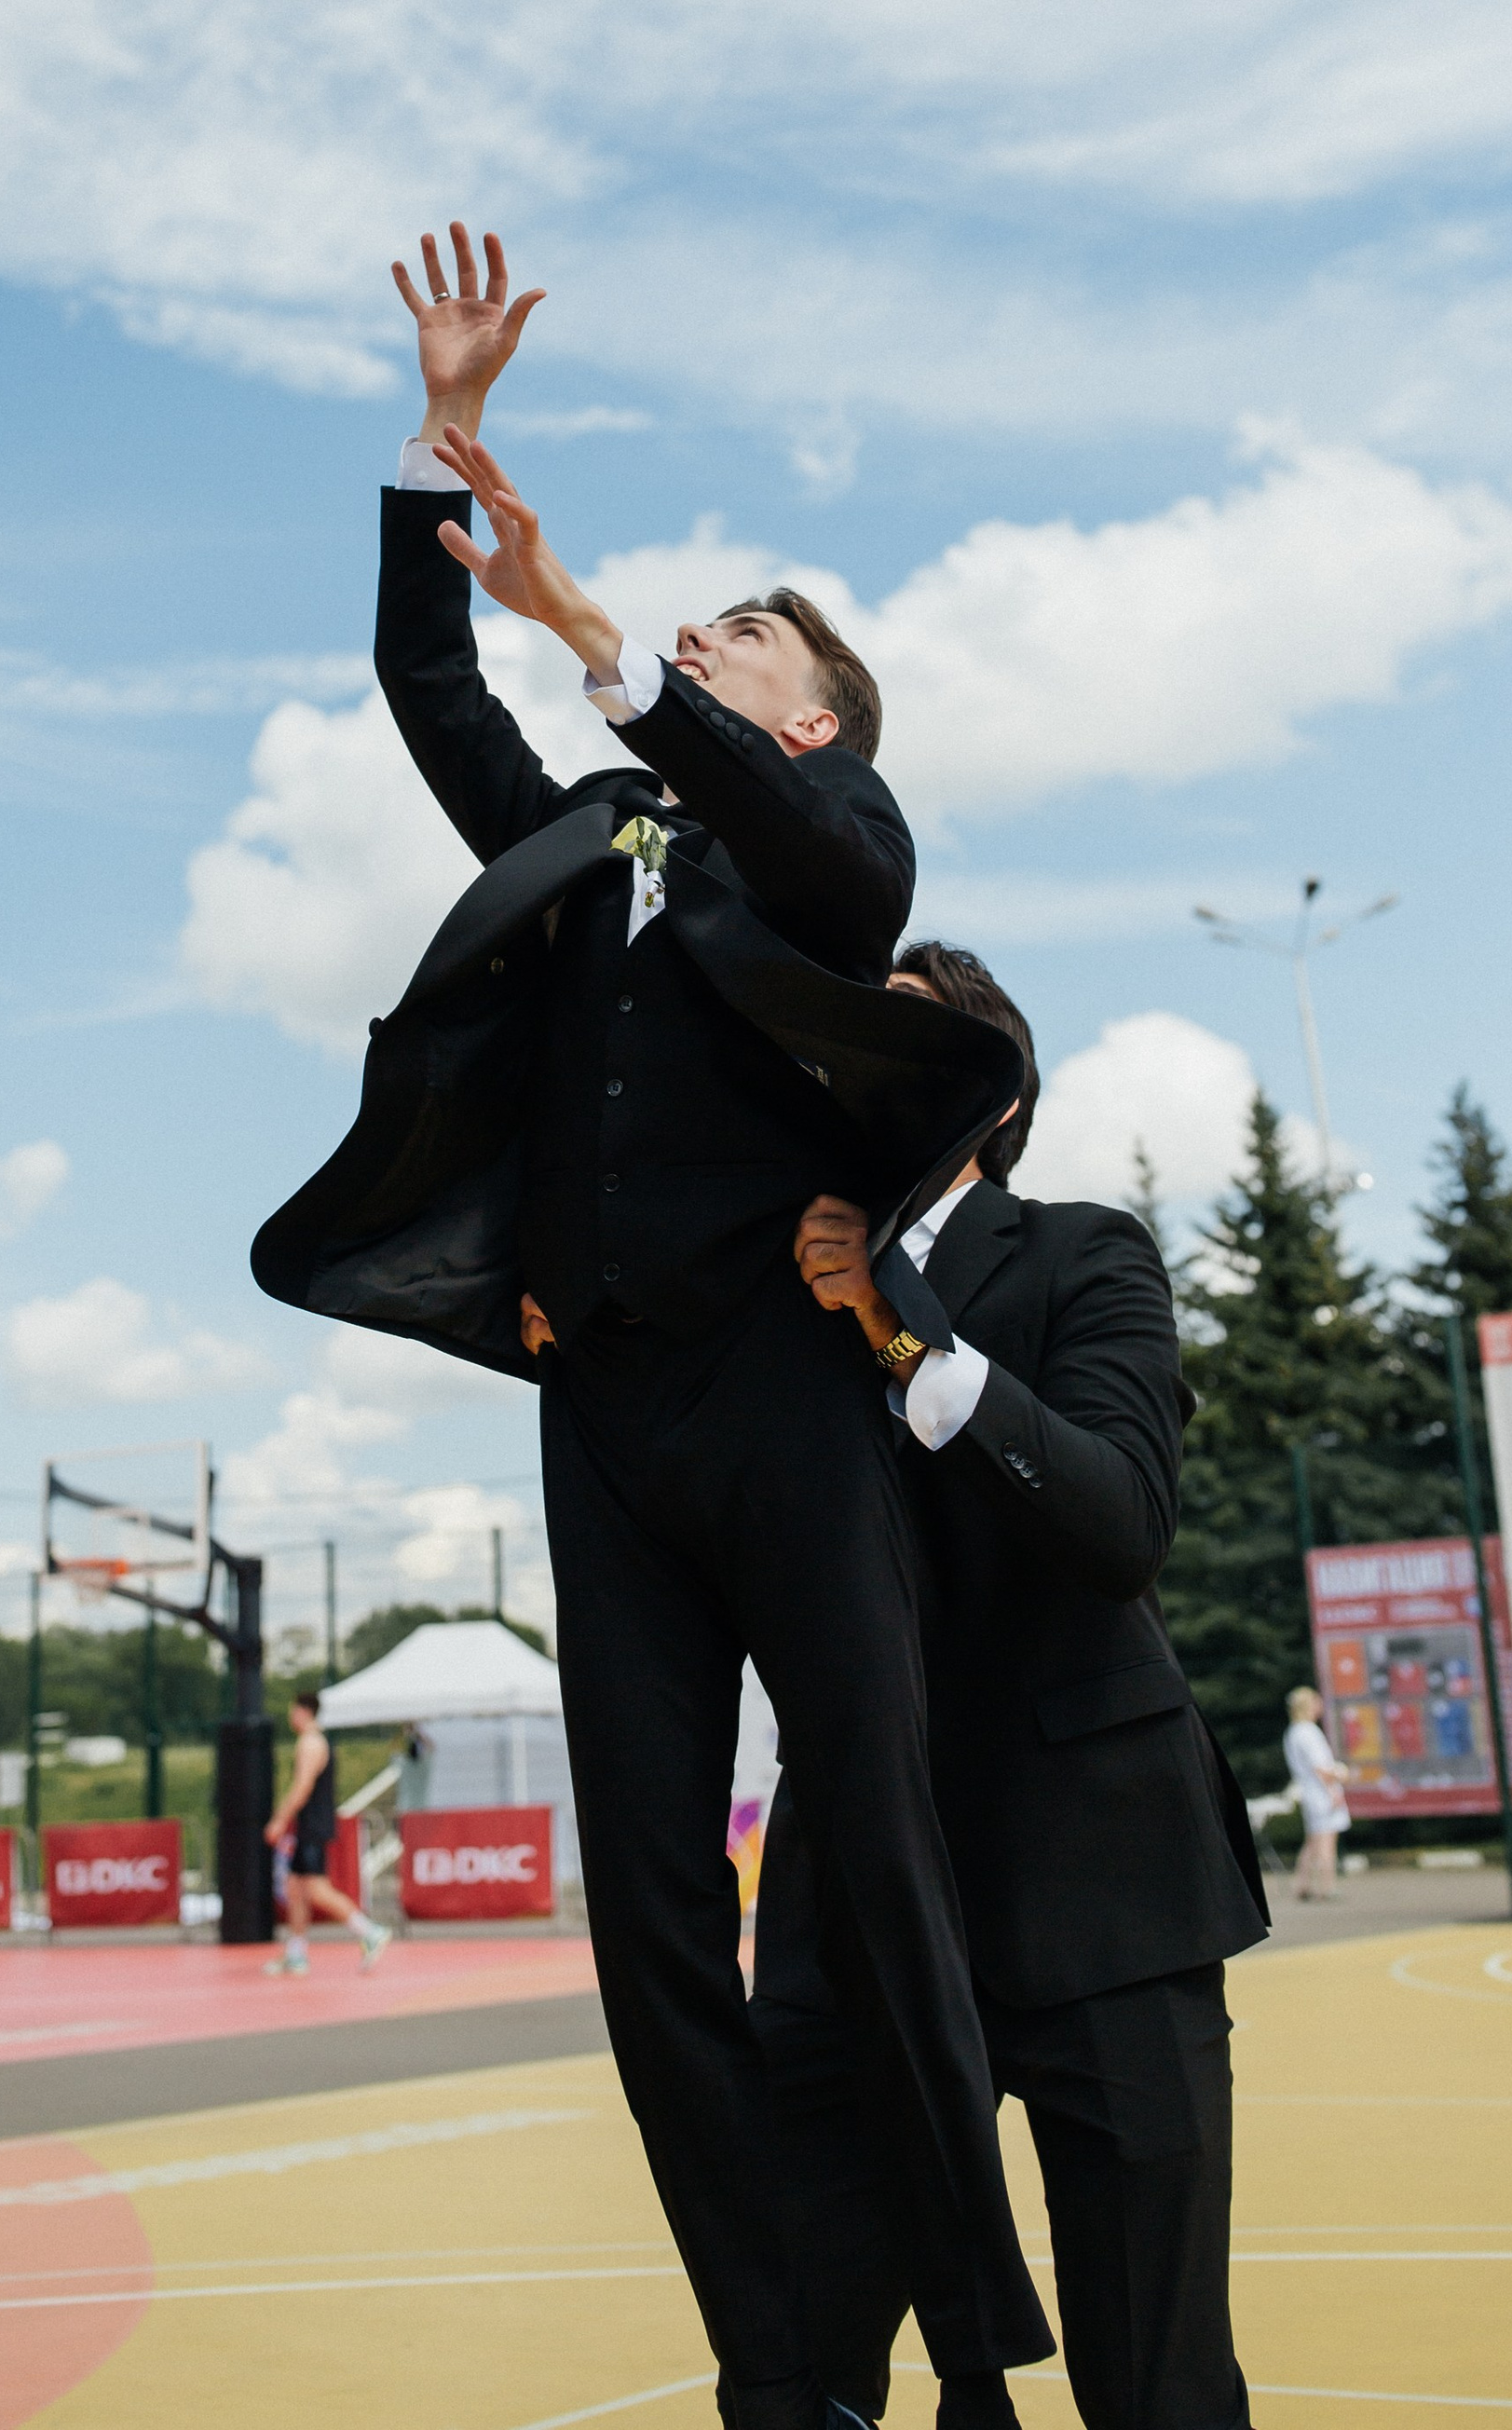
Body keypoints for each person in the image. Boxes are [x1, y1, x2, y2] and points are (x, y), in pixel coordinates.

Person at [253, 226, 1050, 2430]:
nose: (703, 628)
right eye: (693, 619)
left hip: (786, 1395)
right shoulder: (597, 835)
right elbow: (432, 694)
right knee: (649, 1920)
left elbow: (831, 881)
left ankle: (974, 2330)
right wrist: (442, 443)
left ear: (796, 707)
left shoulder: (829, 839)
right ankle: (772, 2350)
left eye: (745, 632)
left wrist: (610, 640)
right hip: (601, 1402)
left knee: (869, 1857)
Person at [755, 939, 1269, 2430]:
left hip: (1101, 1883)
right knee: (818, 2367)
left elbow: (1118, 1521)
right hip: (852, 1902)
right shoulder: (766, 1298)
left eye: (897, 1046)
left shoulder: (1083, 1253)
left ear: (994, 1097)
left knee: (1154, 2375)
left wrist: (901, 1315)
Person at [265, 1687, 392, 1973]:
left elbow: (302, 1786)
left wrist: (279, 1820)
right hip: (308, 1826)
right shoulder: (313, 1741)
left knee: (315, 1888)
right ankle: (297, 1953)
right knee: (295, 1889)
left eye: (292, 1711)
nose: (289, 1717)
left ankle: (369, 1931)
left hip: (312, 1826)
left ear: (303, 1711)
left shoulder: (311, 1743)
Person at [1284, 1686, 1353, 1901]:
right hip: (1321, 1793)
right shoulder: (1308, 1732)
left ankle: (1301, 1885)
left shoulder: (1293, 1732)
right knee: (1326, 1842)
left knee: (1312, 1841)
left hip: (1309, 1792)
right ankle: (1327, 1886)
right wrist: (1337, 1782)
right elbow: (1320, 1768)